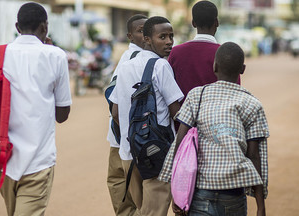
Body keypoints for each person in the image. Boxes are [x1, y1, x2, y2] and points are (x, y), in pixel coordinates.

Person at [0, 2, 72, 216]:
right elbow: (62, 115)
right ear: (45, 27)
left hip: (3, 160)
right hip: (38, 161)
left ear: (17, 26)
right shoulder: (56, 56)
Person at [169, 42, 269, 216]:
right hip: (233, 194)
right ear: (242, 70)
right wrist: (260, 206)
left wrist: (176, 193)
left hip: (200, 192)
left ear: (214, 66)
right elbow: (254, 156)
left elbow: (180, 144)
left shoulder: (196, 95)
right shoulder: (253, 104)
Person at [109, 16, 184, 216]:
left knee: (141, 210)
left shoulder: (124, 67)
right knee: (154, 211)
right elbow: (176, 112)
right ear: (147, 39)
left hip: (128, 152)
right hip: (155, 154)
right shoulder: (160, 66)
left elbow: (115, 112)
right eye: (162, 37)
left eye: (171, 36)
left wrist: (133, 136)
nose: (169, 41)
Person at [106, 14, 147, 216]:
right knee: (126, 189)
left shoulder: (131, 56)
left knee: (122, 188)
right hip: (129, 138)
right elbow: (115, 109)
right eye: (141, 31)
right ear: (130, 35)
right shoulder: (133, 58)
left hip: (124, 137)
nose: (146, 35)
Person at [168, 0, 240, 100]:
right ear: (217, 22)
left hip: (182, 114)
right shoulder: (226, 54)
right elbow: (235, 91)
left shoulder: (175, 53)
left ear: (193, 23)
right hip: (216, 115)